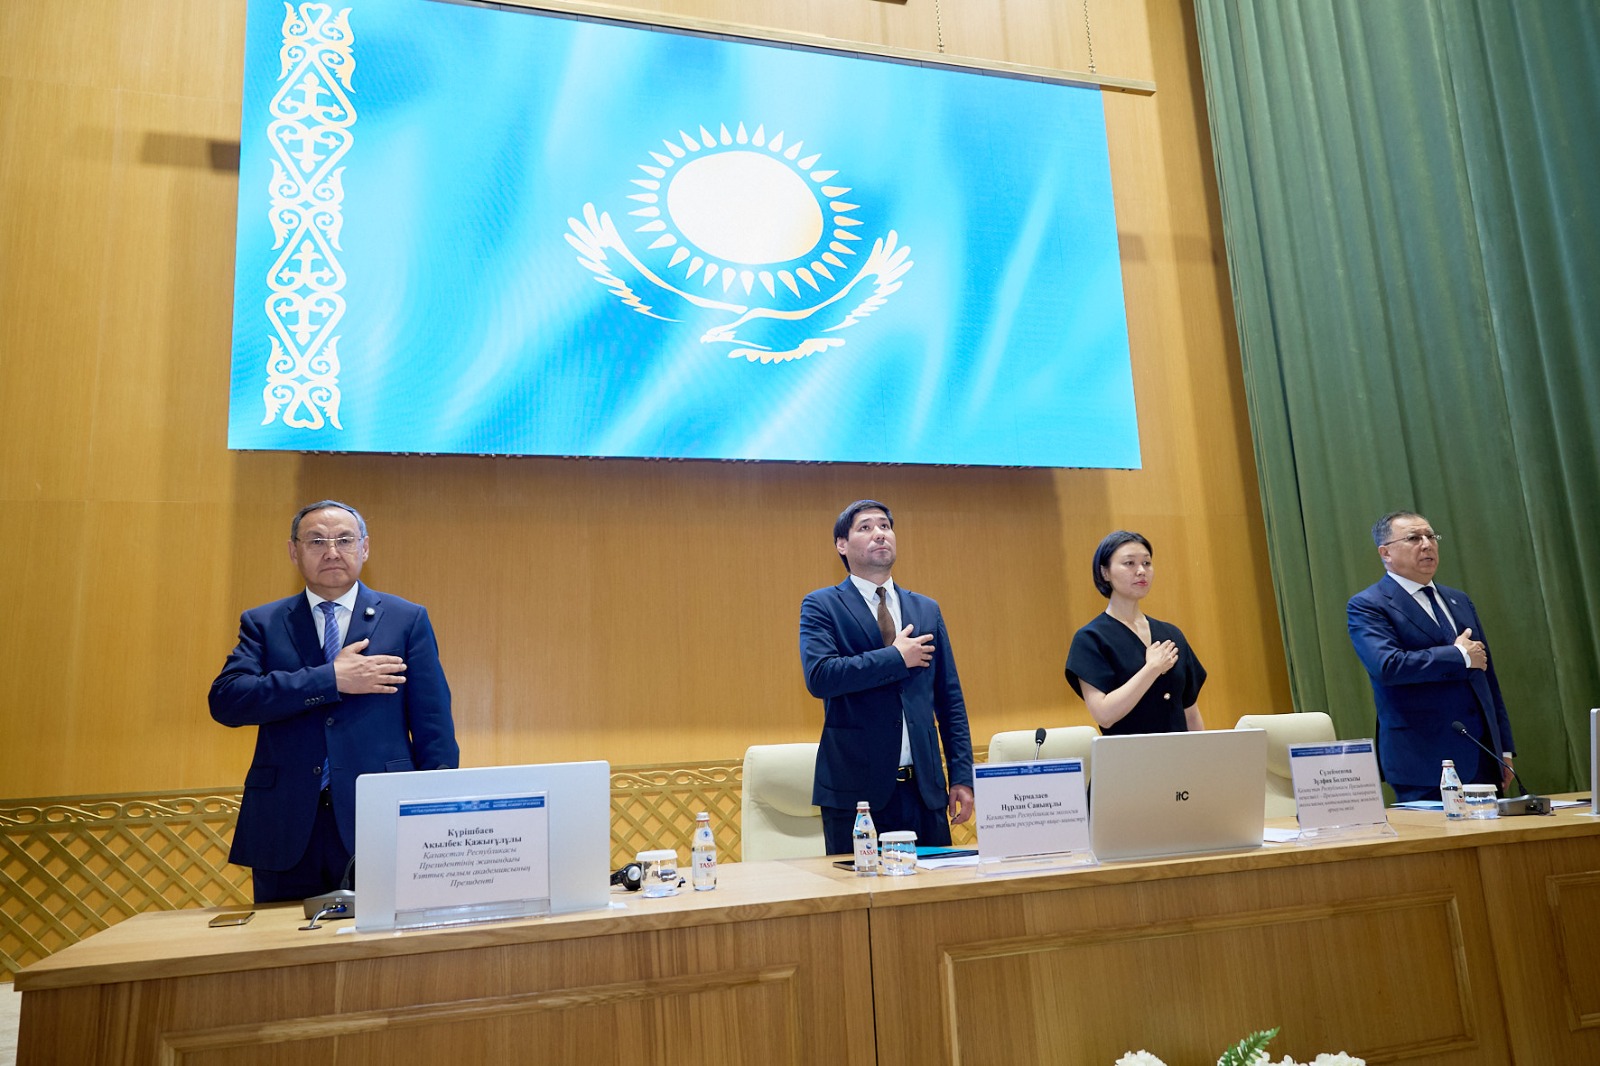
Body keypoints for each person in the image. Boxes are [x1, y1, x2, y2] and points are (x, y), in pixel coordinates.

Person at [209, 500, 458, 902]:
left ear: (365, 548)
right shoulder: (264, 622)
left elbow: (434, 729)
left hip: (380, 820)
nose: (331, 552)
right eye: (316, 541)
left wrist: (434, 816)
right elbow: (228, 700)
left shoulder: (406, 619)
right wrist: (331, 678)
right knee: (282, 938)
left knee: (383, 938)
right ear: (294, 551)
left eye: (344, 540)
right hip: (285, 824)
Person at [799, 500, 975, 855]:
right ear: (842, 545)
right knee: (858, 887)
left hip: (924, 790)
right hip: (855, 794)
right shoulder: (822, 605)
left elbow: (949, 699)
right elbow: (821, 676)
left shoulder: (926, 608)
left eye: (885, 526)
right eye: (865, 527)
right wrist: (895, 657)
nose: (879, 534)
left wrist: (961, 775)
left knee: (935, 888)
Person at [1347, 511, 1515, 802]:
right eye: (1413, 538)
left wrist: (1504, 749)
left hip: (1483, 757)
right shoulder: (1369, 605)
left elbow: (1486, 678)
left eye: (1431, 536)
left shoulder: (1458, 600)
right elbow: (1388, 666)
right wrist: (1457, 655)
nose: (1427, 544)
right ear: (1385, 553)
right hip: (1423, 761)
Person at [1065, 531, 1206, 734]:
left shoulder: (1171, 634)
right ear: (1105, 572)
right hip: (1128, 752)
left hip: (1178, 750)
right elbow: (1104, 715)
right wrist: (1152, 668)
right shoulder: (1091, 639)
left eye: (1146, 563)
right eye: (1129, 563)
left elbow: (1190, 713)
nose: (1141, 571)